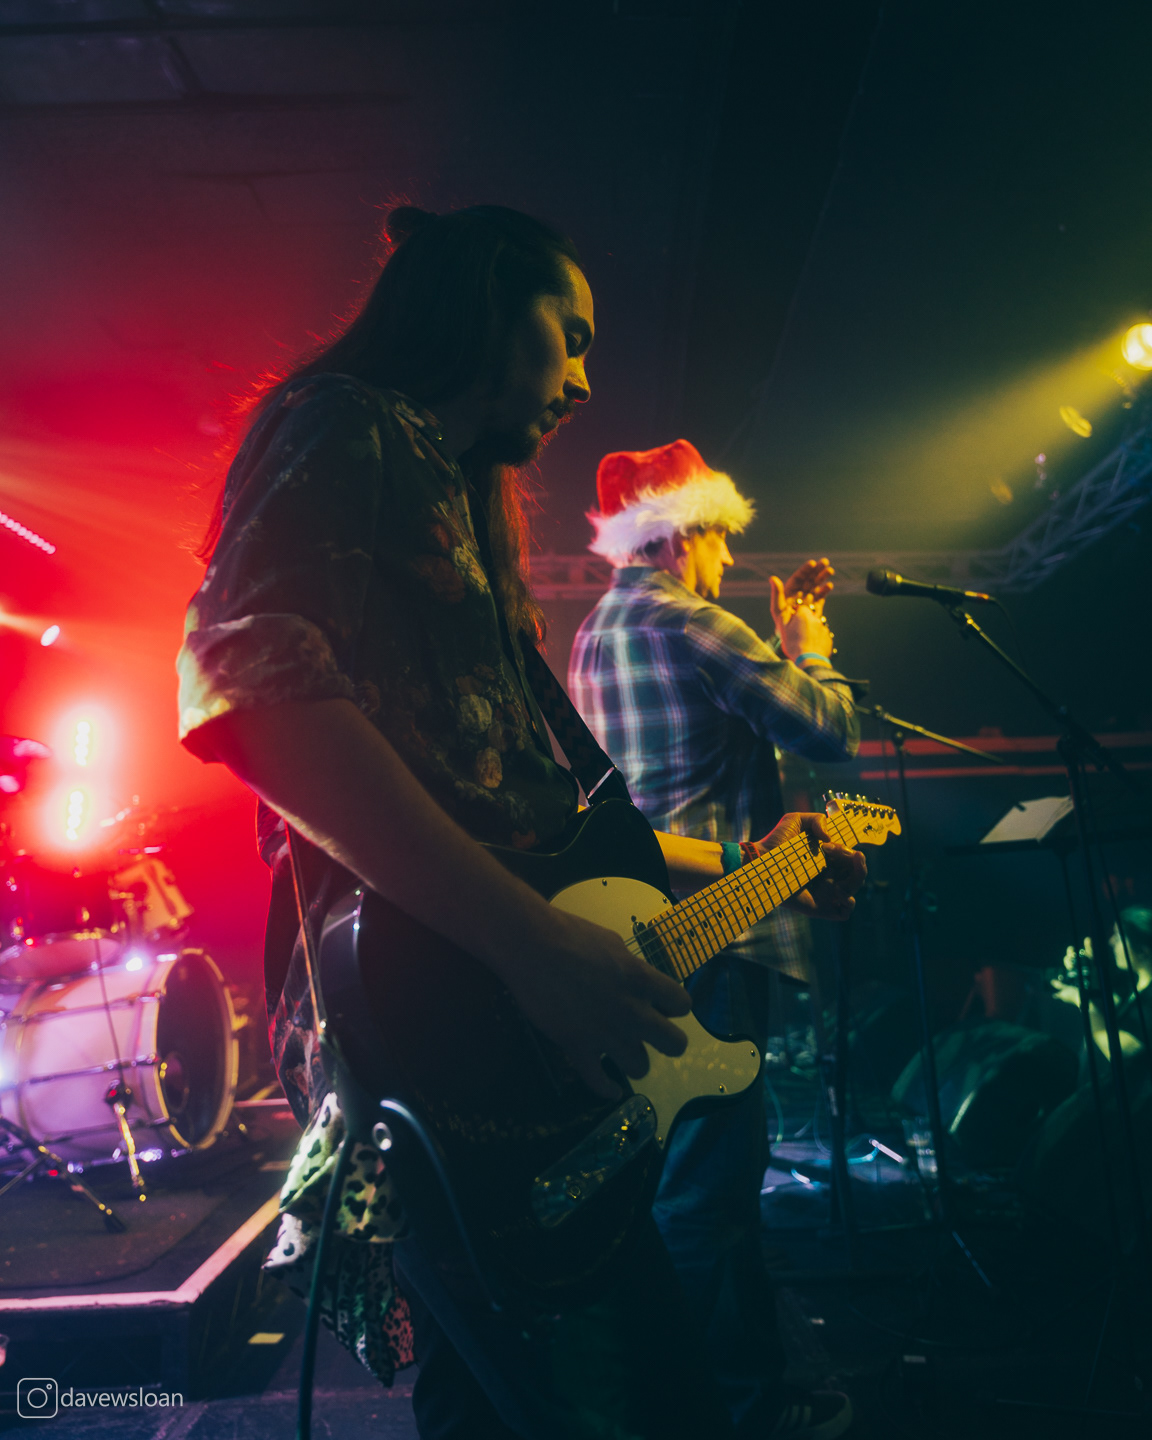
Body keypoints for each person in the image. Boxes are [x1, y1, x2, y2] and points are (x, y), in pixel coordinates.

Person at [176, 205, 864, 1440]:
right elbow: (248, 688)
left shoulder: (454, 496)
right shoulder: (350, 422)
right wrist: (532, 946)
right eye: (571, 333)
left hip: (492, 1026)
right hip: (448, 1023)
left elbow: (541, 825)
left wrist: (749, 866)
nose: (585, 379)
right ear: (485, 302)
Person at [568, 440, 860, 1439]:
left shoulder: (593, 633)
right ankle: (728, 1412)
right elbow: (829, 728)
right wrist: (806, 643)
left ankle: (715, 1395)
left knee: (670, 1187)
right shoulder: (691, 621)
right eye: (720, 540)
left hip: (638, 934)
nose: (728, 560)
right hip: (723, 933)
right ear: (678, 534)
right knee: (712, 1198)